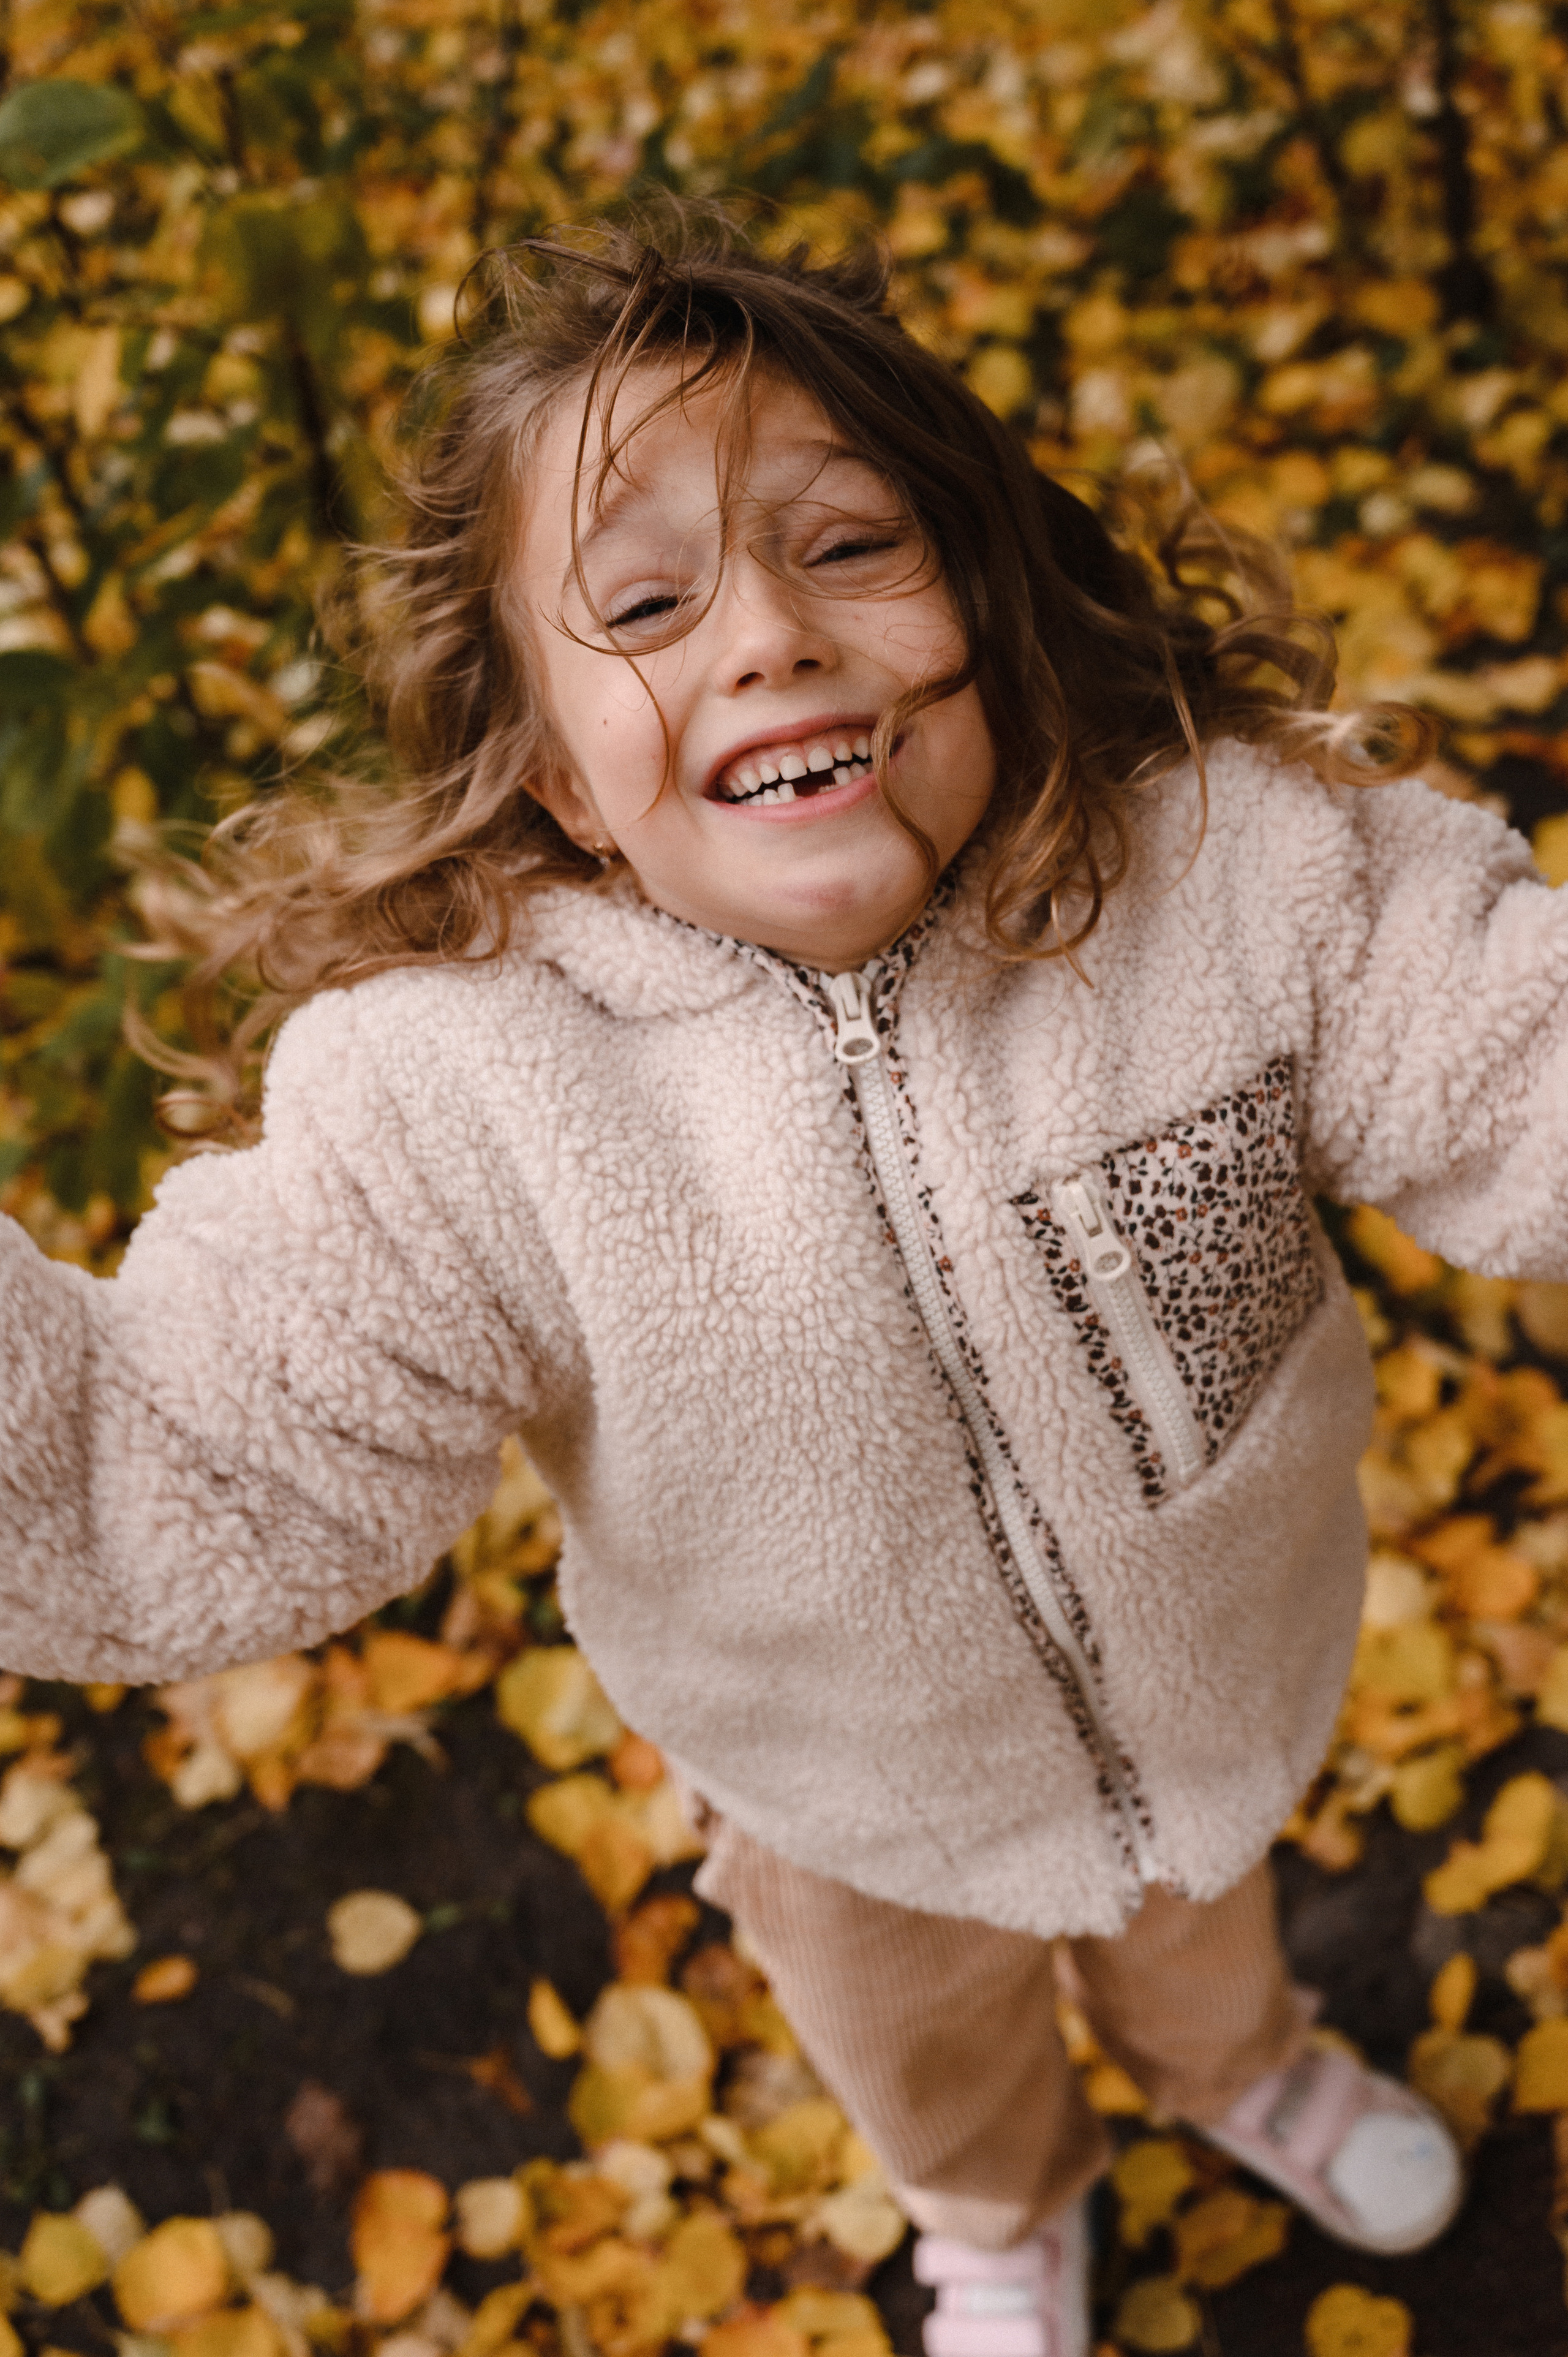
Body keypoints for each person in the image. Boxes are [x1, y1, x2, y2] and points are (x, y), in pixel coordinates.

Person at [12, 200, 1566, 2355]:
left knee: (1211, 1941)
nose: (766, 634)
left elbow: (1513, 1049)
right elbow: (173, 1459)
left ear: (995, 611)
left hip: (1229, 1694)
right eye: (646, 601)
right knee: (932, 2056)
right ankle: (1006, 2222)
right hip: (848, 1797)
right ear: (562, 778)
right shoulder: (464, 1098)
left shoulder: (1231, 881)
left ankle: (1244, 2075)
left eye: (849, 548)